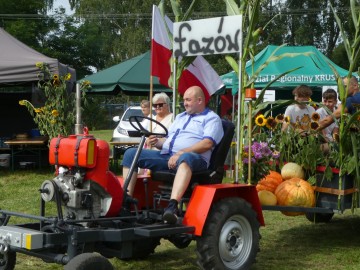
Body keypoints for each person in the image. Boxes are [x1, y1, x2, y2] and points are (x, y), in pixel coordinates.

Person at [121, 86, 224, 224]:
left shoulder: (211, 118)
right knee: (131, 154)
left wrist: (182, 152)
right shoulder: (180, 117)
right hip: (168, 156)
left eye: (188, 100)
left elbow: (207, 144)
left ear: (200, 100)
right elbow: (169, 141)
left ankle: (172, 207)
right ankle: (125, 202)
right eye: (184, 100)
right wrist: (157, 142)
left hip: (196, 160)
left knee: (185, 158)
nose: (185, 103)